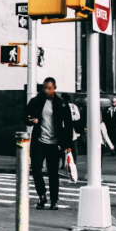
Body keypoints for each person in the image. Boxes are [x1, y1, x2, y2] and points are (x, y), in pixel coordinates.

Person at [25, 77, 74, 210]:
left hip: (55, 143)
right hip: (39, 142)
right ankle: (42, 195)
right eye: (44, 88)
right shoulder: (36, 101)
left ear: (55, 88)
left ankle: (54, 200)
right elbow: (25, 116)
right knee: (36, 169)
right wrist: (31, 120)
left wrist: (68, 145)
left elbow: (69, 125)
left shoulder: (62, 103)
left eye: (49, 88)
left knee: (53, 172)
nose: (46, 90)